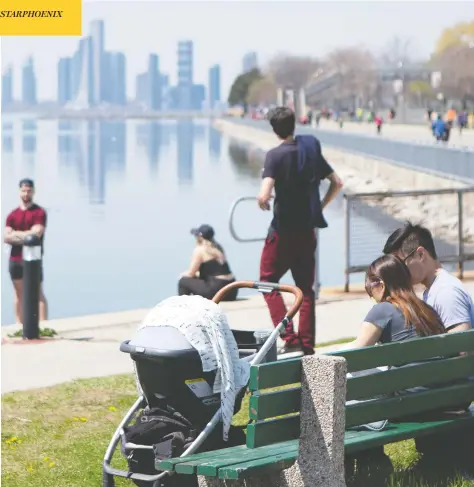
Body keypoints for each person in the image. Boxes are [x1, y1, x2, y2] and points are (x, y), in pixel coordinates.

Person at [257, 106, 343, 355]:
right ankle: (306, 345)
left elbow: (264, 193)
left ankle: (288, 337)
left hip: (282, 233)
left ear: (274, 129)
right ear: (294, 125)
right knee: (305, 289)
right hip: (308, 231)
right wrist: (320, 206)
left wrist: (262, 199)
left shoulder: (274, 156)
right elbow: (337, 183)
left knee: (267, 283)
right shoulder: (310, 152)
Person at [341, 254, 445, 351]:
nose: (370, 294)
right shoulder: (427, 309)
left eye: (369, 287)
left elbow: (355, 353)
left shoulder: (382, 310)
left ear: (381, 286)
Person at [383, 222, 473, 333]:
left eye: (400, 265)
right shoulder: (434, 289)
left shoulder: (446, 292)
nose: (398, 273)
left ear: (421, 254)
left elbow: (460, 346)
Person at [4, 178, 48, 325]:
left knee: (37, 293)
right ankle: (19, 324)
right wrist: (26, 236)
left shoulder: (39, 212)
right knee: (18, 293)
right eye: (23, 190)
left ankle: (43, 324)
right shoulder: (12, 215)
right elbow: (6, 237)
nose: (26, 193)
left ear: (33, 191)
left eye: (29, 190)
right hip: (15, 259)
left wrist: (16, 235)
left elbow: (36, 234)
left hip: (33, 259)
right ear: (19, 192)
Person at [178, 224, 238, 301]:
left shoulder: (200, 250)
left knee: (183, 282)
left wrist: (181, 275)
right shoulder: (218, 247)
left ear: (200, 237)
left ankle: (183, 306)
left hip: (217, 290)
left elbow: (191, 273)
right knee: (197, 278)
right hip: (231, 291)